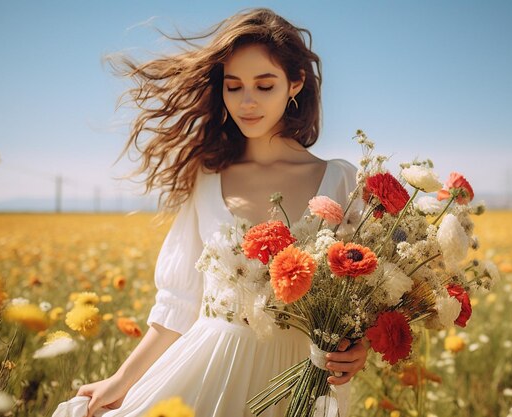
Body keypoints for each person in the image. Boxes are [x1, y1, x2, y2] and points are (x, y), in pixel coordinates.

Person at [52, 8, 368, 417]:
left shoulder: (340, 179)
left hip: (304, 382)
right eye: (233, 87)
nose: (247, 101)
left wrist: (358, 347)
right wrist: (121, 380)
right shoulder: (206, 178)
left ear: (296, 84)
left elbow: (362, 295)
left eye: (264, 85)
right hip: (210, 371)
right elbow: (178, 303)